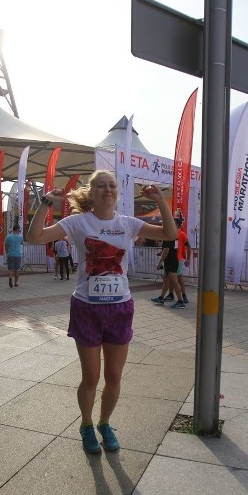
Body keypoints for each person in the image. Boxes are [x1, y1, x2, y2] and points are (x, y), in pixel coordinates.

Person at [26, 170, 177, 454]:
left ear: (117, 192)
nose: (107, 190)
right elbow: (34, 237)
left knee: (115, 377)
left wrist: (161, 200)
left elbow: (169, 234)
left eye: (112, 186)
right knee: (91, 377)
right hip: (87, 307)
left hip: (120, 307)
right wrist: (46, 202)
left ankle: (104, 423)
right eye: (101, 186)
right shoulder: (77, 222)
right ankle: (86, 425)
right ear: (91, 192)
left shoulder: (128, 224)